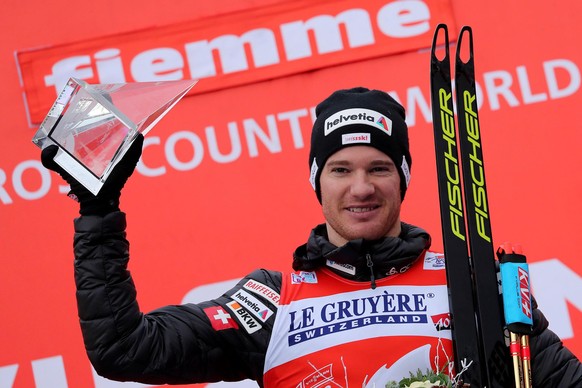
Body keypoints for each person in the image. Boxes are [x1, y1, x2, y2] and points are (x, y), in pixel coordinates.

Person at [41, 87, 581, 387]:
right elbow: (124, 349)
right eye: (341, 169)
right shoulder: (270, 303)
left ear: (405, 178)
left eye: (380, 168)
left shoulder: (471, 286)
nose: (361, 188)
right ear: (316, 181)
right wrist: (98, 213)